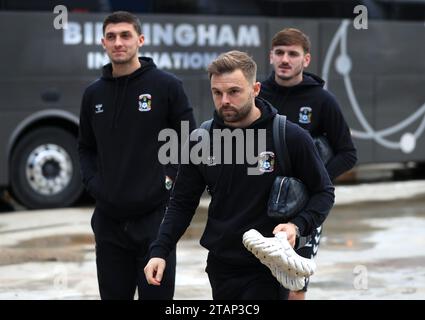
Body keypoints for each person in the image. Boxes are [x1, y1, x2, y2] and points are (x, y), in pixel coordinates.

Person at [144, 50, 335, 300]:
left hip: (268, 268)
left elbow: (323, 192)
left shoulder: (290, 136)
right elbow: (181, 203)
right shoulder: (201, 141)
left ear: (255, 89)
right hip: (221, 267)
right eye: (217, 92)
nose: (224, 100)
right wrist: (159, 250)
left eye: (234, 91)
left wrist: (296, 227)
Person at [78, 11, 196, 300]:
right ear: (102, 43)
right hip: (109, 222)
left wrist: (167, 181)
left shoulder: (167, 86)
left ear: (140, 40)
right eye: (111, 36)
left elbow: (189, 143)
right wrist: (96, 185)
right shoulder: (93, 95)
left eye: (125, 35)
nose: (118, 42)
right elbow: (85, 147)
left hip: (155, 222)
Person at [260, 28, 358, 300]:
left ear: (306, 60)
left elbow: (347, 153)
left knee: (295, 286)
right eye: (279, 53)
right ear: (270, 56)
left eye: (293, 54)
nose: (285, 59)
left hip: (301, 211)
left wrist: (311, 181)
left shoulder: (322, 100)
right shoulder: (256, 94)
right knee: (259, 282)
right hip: (257, 204)